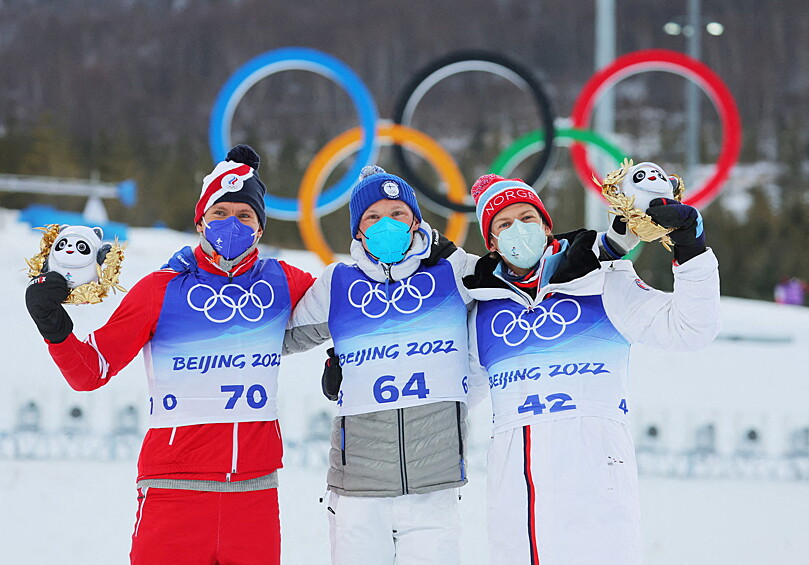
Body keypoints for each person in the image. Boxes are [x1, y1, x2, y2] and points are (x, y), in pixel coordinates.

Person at [24, 145, 315, 565]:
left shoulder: (284, 281)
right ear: (200, 221)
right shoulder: (160, 289)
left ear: (260, 228)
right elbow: (91, 371)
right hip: (174, 493)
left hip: (254, 497)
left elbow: (344, 309)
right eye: (220, 213)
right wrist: (52, 323)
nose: (231, 223)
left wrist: (340, 356)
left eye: (245, 215)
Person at [462, 174, 721, 565]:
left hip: (595, 480)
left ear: (547, 225)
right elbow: (452, 394)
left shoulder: (603, 282)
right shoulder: (482, 310)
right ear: (491, 243)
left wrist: (691, 251)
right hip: (516, 496)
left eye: (528, 217)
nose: (519, 229)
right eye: (504, 223)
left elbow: (691, 328)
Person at [283, 166, 479, 565]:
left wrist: (455, 252)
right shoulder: (337, 283)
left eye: (397, 214)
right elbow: (274, 337)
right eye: (372, 217)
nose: (385, 224)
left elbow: (517, 280)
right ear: (357, 230)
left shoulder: (452, 274)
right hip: (358, 491)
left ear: (416, 224)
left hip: (434, 487)